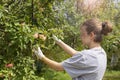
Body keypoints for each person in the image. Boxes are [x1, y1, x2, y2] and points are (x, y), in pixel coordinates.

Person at [34, 18, 112, 80]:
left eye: (82, 34)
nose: (81, 37)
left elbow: (58, 67)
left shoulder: (86, 56)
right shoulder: (101, 53)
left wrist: (42, 57)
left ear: (91, 35)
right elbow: (76, 54)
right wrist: (59, 42)